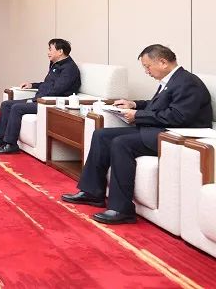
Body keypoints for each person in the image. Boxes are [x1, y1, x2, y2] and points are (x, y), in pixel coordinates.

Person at [62, 44, 212, 224]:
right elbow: (157, 105)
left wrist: (138, 115)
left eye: (148, 67)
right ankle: (92, 192)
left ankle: (121, 209)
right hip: (158, 130)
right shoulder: (173, 80)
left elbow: (178, 116)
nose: (147, 72)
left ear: (163, 62)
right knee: (102, 135)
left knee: (121, 143)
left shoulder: (188, 83)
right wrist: (134, 105)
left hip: (175, 136)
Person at [0, 38, 81, 154]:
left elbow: (57, 90)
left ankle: (11, 144)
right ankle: (0, 139)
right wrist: (32, 85)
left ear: (60, 51)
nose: (48, 52)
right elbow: (47, 84)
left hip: (50, 103)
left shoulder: (70, 69)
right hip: (41, 99)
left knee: (16, 108)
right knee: (6, 104)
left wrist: (35, 100)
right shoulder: (55, 65)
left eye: (50, 49)